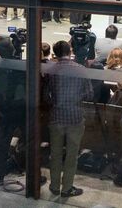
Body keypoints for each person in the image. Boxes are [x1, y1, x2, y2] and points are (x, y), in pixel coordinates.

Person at [47, 40, 93, 197]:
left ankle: (54, 185)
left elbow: (46, 95)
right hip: (75, 117)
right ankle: (67, 188)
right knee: (72, 155)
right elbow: (89, 94)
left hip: (56, 116)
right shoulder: (81, 70)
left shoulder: (51, 70)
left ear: (55, 54)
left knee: (55, 154)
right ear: (70, 51)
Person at [0, 38, 26, 183]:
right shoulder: (20, 65)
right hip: (21, 108)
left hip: (5, 109)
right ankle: (31, 171)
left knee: (2, 145)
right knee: (29, 141)